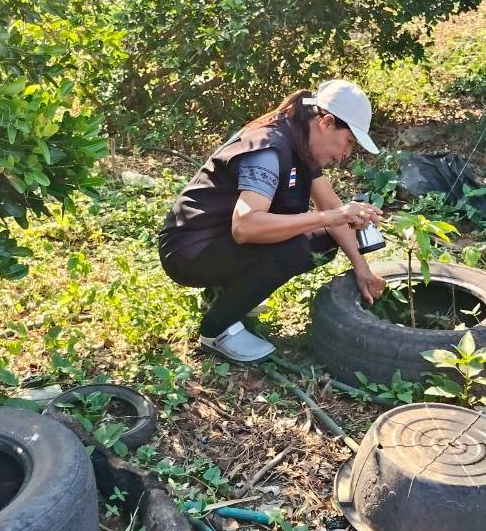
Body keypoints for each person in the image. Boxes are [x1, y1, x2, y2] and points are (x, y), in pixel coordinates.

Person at [158, 80, 387, 363]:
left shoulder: (301, 142)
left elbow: (330, 206)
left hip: (218, 239)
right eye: (349, 142)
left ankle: (224, 294)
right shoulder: (269, 149)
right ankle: (216, 330)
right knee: (295, 248)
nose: (346, 154)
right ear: (327, 123)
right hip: (190, 249)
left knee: (324, 238)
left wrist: (362, 268)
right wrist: (330, 216)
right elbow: (245, 227)